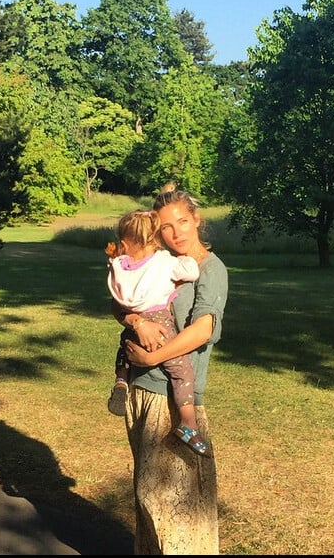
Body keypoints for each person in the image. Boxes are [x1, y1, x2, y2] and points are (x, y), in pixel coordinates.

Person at [113, 184, 229, 555]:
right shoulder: (155, 260)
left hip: (173, 399)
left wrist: (150, 357)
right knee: (146, 495)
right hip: (139, 392)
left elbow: (203, 329)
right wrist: (137, 323)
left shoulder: (211, 270)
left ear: (197, 220)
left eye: (183, 221)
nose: (176, 231)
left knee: (174, 502)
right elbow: (120, 302)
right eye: (166, 226)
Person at [105, 209, 211, 457]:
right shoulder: (163, 262)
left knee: (126, 349)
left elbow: (117, 302)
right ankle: (188, 424)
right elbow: (191, 271)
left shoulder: (119, 266)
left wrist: (136, 322)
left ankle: (121, 381)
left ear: (124, 243)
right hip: (159, 322)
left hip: (133, 321)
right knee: (180, 369)